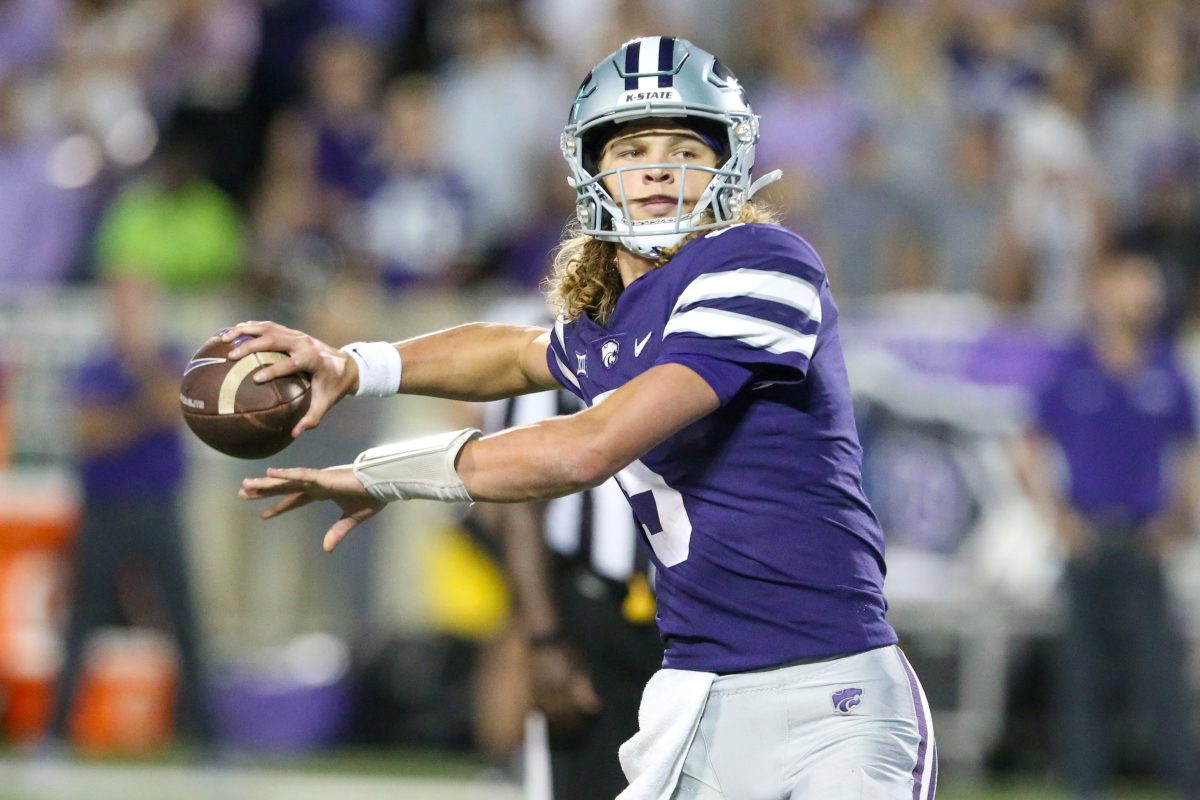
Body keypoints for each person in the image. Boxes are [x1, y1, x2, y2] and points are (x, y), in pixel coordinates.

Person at [228, 37, 937, 798]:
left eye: (684, 147)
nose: (659, 166)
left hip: (830, 697)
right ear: (592, 170)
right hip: (694, 698)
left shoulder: (762, 264)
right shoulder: (613, 323)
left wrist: (386, 474)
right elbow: (515, 352)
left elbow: (584, 450)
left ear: (729, 164)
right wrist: (357, 365)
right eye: (633, 147)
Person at [1022, 248, 1200, 800]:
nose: (1145, 298)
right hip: (1089, 541)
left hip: (1143, 540)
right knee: (1082, 675)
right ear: (1103, 292)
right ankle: (1085, 784)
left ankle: (1183, 779)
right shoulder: (1074, 365)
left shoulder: (1164, 367)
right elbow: (1028, 442)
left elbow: (1190, 450)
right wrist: (1058, 518)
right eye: (1133, 285)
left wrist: (1179, 519)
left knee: (1158, 672)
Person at [43, 277, 216, 754]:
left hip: (159, 507)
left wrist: (131, 398)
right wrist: (141, 410)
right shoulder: (93, 367)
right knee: (82, 622)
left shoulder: (169, 360)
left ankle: (207, 739)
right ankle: (56, 734)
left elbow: (172, 409)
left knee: (184, 624)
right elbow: (92, 433)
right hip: (104, 509)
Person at [474, 381, 661, 800]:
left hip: (701, 610)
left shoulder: (704, 334)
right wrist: (544, 640)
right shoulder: (557, 351)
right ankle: (496, 763)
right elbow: (517, 500)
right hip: (594, 603)